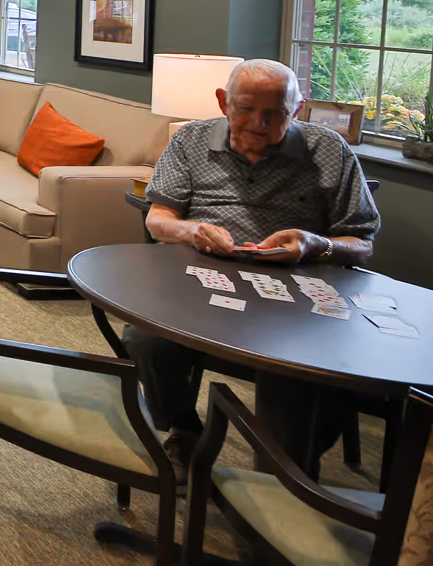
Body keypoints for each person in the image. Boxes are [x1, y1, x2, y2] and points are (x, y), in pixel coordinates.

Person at [128, 58, 379, 481]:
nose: (258, 124)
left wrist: (314, 243)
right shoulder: (190, 140)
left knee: (296, 369)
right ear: (224, 102)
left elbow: (362, 243)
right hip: (201, 283)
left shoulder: (329, 151)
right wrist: (193, 230)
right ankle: (185, 433)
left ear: (295, 112)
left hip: (295, 300)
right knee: (145, 339)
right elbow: (158, 219)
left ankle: (283, 481)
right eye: (245, 109)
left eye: (274, 114)